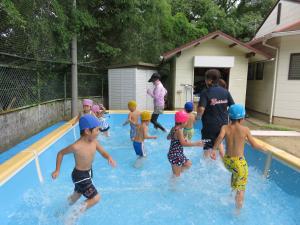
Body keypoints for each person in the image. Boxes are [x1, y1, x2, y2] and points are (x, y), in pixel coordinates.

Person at [51, 114, 116, 223]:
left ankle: (59, 212)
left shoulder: (94, 142)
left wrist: (108, 157)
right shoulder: (76, 146)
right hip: (80, 175)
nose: (99, 132)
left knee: (76, 196)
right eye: (97, 130)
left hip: (87, 173)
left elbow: (103, 152)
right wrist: (57, 170)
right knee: (95, 198)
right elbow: (60, 153)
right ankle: (71, 217)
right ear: (87, 131)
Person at [211, 104, 266, 210]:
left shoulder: (225, 127)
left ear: (229, 117)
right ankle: (237, 212)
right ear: (242, 118)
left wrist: (214, 150)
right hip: (239, 164)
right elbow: (254, 145)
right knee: (241, 189)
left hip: (228, 162)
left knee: (235, 175)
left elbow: (220, 137)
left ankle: (231, 197)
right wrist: (263, 147)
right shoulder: (245, 129)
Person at [197, 69, 234, 159]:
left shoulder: (205, 92)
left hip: (210, 126)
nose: (205, 81)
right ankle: (224, 163)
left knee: (207, 146)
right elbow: (232, 107)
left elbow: (201, 108)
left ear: (210, 80)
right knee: (219, 142)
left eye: (206, 79)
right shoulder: (225, 92)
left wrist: (198, 117)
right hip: (223, 125)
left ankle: (205, 166)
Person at [167, 111, 203, 177]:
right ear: (182, 122)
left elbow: (168, 137)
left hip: (176, 153)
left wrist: (182, 138)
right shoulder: (179, 131)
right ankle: (173, 184)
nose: (186, 123)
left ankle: (176, 172)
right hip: (175, 155)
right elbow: (183, 144)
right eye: (186, 121)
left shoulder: (174, 128)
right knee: (176, 176)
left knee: (188, 164)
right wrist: (196, 144)